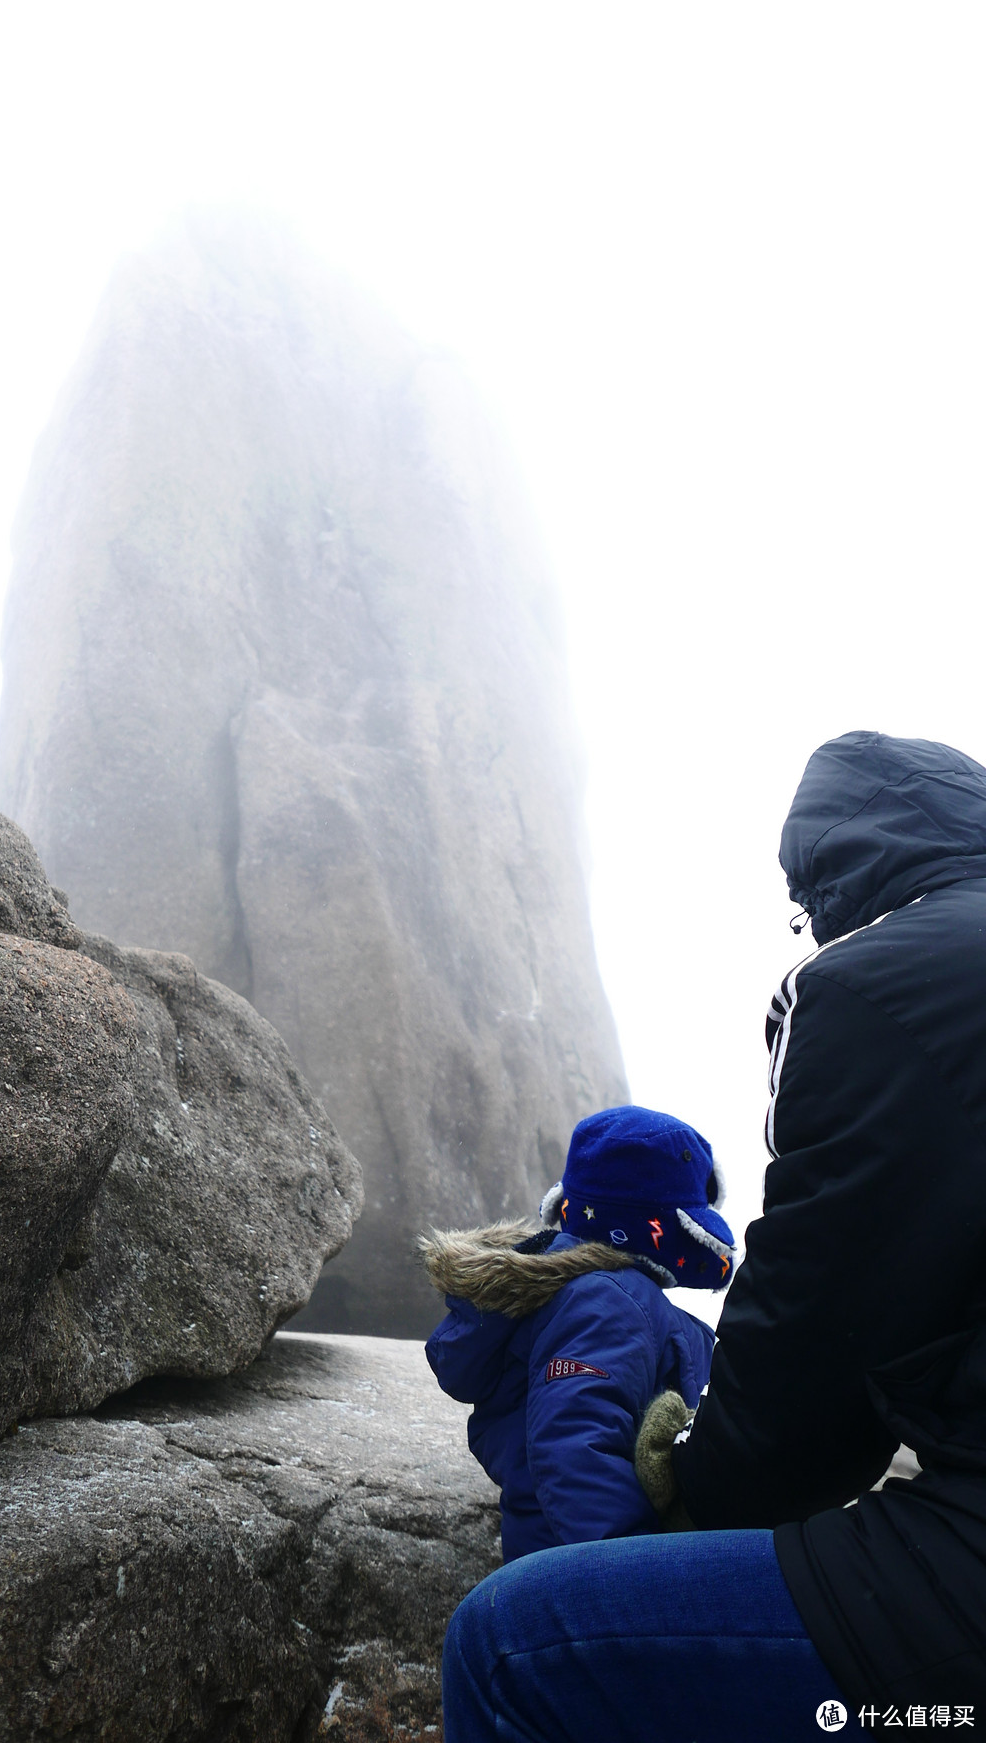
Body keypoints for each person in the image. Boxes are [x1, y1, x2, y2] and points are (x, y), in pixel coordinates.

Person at [442, 732, 986, 1742]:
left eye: (807, 905)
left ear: (840, 871)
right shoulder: (612, 1306)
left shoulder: (883, 981)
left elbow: (808, 1391)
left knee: (510, 1647)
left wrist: (681, 1485)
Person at [422, 1103, 734, 1562]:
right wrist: (630, 1572)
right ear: (661, 1226)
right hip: (577, 1571)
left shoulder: (594, 1294)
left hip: (551, 1550)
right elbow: (575, 1445)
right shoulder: (611, 1302)